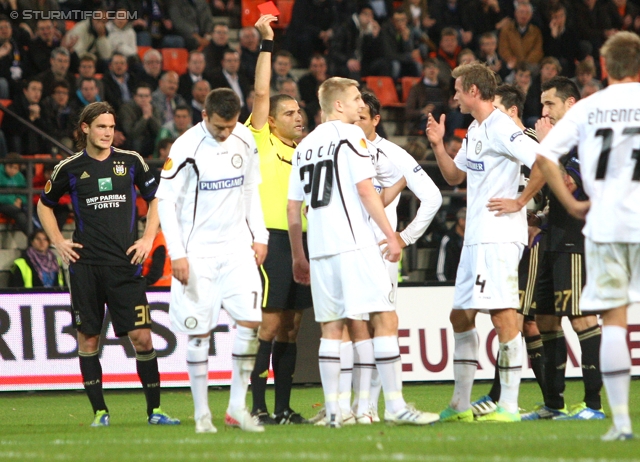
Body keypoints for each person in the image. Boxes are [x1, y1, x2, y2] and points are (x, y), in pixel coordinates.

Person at [288, 76, 440, 427]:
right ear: (338, 105)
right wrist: (392, 235)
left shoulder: (304, 146)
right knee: (385, 320)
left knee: (332, 330)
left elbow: (293, 208)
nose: (361, 105)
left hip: (321, 250)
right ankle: (397, 406)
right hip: (355, 245)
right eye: (356, 98)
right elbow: (365, 191)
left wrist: (300, 255)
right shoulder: (351, 136)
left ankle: (335, 412)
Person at [37, 101, 179, 427]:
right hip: (86, 267)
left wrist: (147, 239)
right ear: (85, 128)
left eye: (111, 127)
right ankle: (100, 413)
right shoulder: (69, 168)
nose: (107, 133)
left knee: (142, 338)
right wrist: (58, 241)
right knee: (89, 340)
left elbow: (156, 198)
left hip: (124, 266)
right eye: (101, 126)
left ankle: (155, 411)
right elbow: (45, 206)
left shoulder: (131, 162)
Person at [535, 30, 640, 442]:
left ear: (603, 67)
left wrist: (573, 203)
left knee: (612, 320)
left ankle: (620, 423)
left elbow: (545, 155)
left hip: (606, 223)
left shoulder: (589, 108)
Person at [426, 62, 544, 422]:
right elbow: (453, 176)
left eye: (458, 89)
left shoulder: (502, 127)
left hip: (499, 236)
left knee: (503, 315)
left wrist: (521, 203)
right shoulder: (475, 129)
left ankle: (508, 405)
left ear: (473, 91)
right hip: (476, 239)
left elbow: (542, 160)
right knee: (460, 317)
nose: (454, 96)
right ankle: (460, 405)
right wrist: (437, 145)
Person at [156, 88, 268, 434]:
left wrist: (260, 235)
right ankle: (202, 413)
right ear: (204, 116)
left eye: (230, 126)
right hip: (198, 254)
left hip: (237, 250)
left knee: (251, 323)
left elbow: (250, 189)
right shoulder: (186, 147)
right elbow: (165, 202)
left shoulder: (244, 138)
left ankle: (236, 407)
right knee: (200, 333)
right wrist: (177, 253)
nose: (225, 133)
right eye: (219, 127)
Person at [352, 90, 442, 422]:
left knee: (380, 326)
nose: (355, 122)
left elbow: (432, 198)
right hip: (347, 250)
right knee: (352, 329)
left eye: (362, 117)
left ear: (376, 119)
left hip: (379, 253)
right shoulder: (340, 150)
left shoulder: (391, 154)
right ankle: (355, 408)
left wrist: (403, 238)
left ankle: (371, 408)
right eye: (353, 115)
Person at [520, 76, 604, 422]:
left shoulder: (585, 141)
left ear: (571, 104)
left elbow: (569, 184)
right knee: (545, 318)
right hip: (552, 238)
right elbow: (546, 194)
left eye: (550, 104)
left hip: (576, 239)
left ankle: (593, 405)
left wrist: (546, 143)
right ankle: (553, 403)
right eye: (542, 104)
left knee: (581, 316)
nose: (543, 111)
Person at [246, 15, 309, 426]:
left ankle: (284, 407)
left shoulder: (308, 150)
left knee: (292, 328)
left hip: (301, 243)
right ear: (271, 119)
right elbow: (262, 90)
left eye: (300, 110)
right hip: (270, 240)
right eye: (289, 112)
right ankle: (256, 406)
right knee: (268, 327)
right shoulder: (260, 138)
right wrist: (267, 43)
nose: (298, 116)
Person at [470, 83, 547, 416]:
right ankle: (502, 394)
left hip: (532, 237)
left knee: (521, 320)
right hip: (509, 234)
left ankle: (548, 400)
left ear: (511, 110)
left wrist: (527, 208)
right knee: (517, 319)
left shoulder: (526, 139)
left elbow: (549, 180)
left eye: (497, 107)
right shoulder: (490, 136)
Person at [0, 152, 29, 236]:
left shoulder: (19, 176)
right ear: (5, 165)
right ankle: (33, 238)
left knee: (32, 211)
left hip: (15, 205)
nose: (12, 170)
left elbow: (24, 192)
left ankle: (42, 236)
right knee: (19, 214)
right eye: (10, 167)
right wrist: (13, 201)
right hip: (2, 204)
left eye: (16, 168)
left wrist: (20, 199)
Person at [436, 206, 465, 282]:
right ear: (461, 221)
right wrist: (447, 287)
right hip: (450, 287)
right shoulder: (447, 240)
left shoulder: (473, 240)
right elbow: (440, 271)